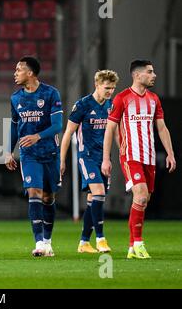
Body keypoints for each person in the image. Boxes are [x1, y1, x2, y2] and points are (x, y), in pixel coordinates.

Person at [102, 60, 176, 259]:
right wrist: (106, 159)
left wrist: (170, 153)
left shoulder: (154, 99)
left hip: (149, 157)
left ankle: (131, 247)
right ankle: (139, 243)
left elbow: (161, 127)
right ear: (137, 75)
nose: (154, 75)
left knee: (143, 200)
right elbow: (110, 129)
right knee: (141, 196)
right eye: (150, 72)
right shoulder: (122, 98)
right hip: (130, 156)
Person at [5, 56, 63, 257]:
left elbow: (57, 126)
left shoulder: (50, 93)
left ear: (30, 73)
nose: (15, 73)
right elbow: (14, 126)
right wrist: (8, 151)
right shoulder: (15, 98)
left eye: (19, 69)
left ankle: (47, 241)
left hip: (50, 153)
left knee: (48, 197)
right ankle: (39, 242)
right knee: (34, 192)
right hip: (29, 155)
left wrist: (38, 136)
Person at [60, 70, 119, 254]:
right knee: (99, 193)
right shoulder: (83, 105)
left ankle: (84, 243)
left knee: (94, 200)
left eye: (113, 88)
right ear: (97, 85)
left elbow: (116, 131)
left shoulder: (111, 105)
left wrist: (123, 151)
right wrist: (61, 160)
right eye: (107, 88)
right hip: (87, 157)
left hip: (104, 158)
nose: (110, 92)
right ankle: (101, 239)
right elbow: (68, 133)